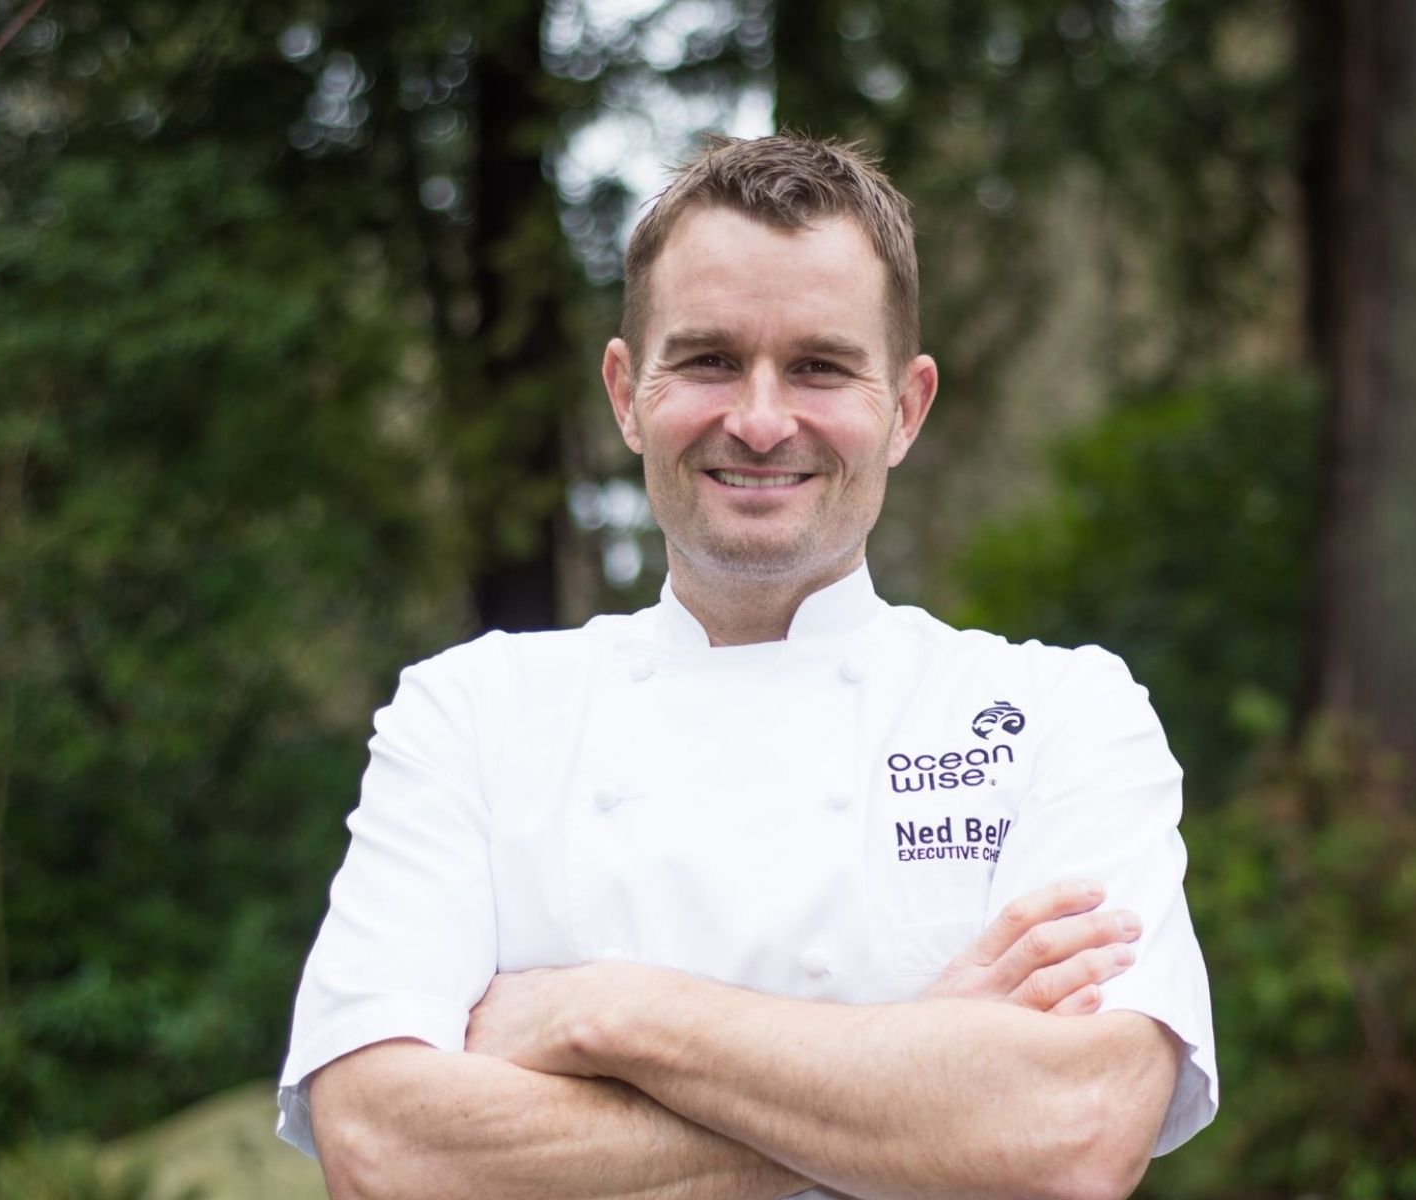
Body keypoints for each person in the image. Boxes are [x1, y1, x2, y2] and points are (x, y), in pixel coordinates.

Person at [277, 133, 1216, 1200]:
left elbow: (1074, 1131)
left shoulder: (1061, 713)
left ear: (905, 409)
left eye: (819, 365)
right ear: (626, 391)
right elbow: (383, 1150)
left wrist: (610, 1015)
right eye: (710, 359)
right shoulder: (468, 714)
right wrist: (914, 1085)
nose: (761, 420)